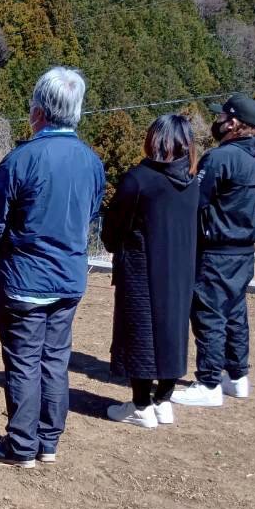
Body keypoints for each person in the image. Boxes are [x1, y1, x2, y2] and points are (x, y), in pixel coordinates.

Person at [0, 67, 105, 468]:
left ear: (38, 111)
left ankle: (20, 444)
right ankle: (48, 441)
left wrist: (0, 251)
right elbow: (92, 212)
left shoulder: (21, 160)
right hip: (68, 277)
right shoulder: (91, 161)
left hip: (25, 278)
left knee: (24, 360)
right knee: (54, 359)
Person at [101, 114, 200, 429]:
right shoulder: (195, 182)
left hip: (142, 267)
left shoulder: (139, 179)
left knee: (140, 333)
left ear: (154, 141)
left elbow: (113, 227)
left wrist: (115, 243)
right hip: (182, 269)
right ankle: (163, 400)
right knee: (173, 331)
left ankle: (141, 405)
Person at [173, 94, 255, 407]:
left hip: (217, 250)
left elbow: (196, 201)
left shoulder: (221, 157)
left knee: (209, 313)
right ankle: (237, 376)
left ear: (235, 123)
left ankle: (209, 382)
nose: (218, 122)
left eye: (222, 117)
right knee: (235, 312)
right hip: (244, 250)